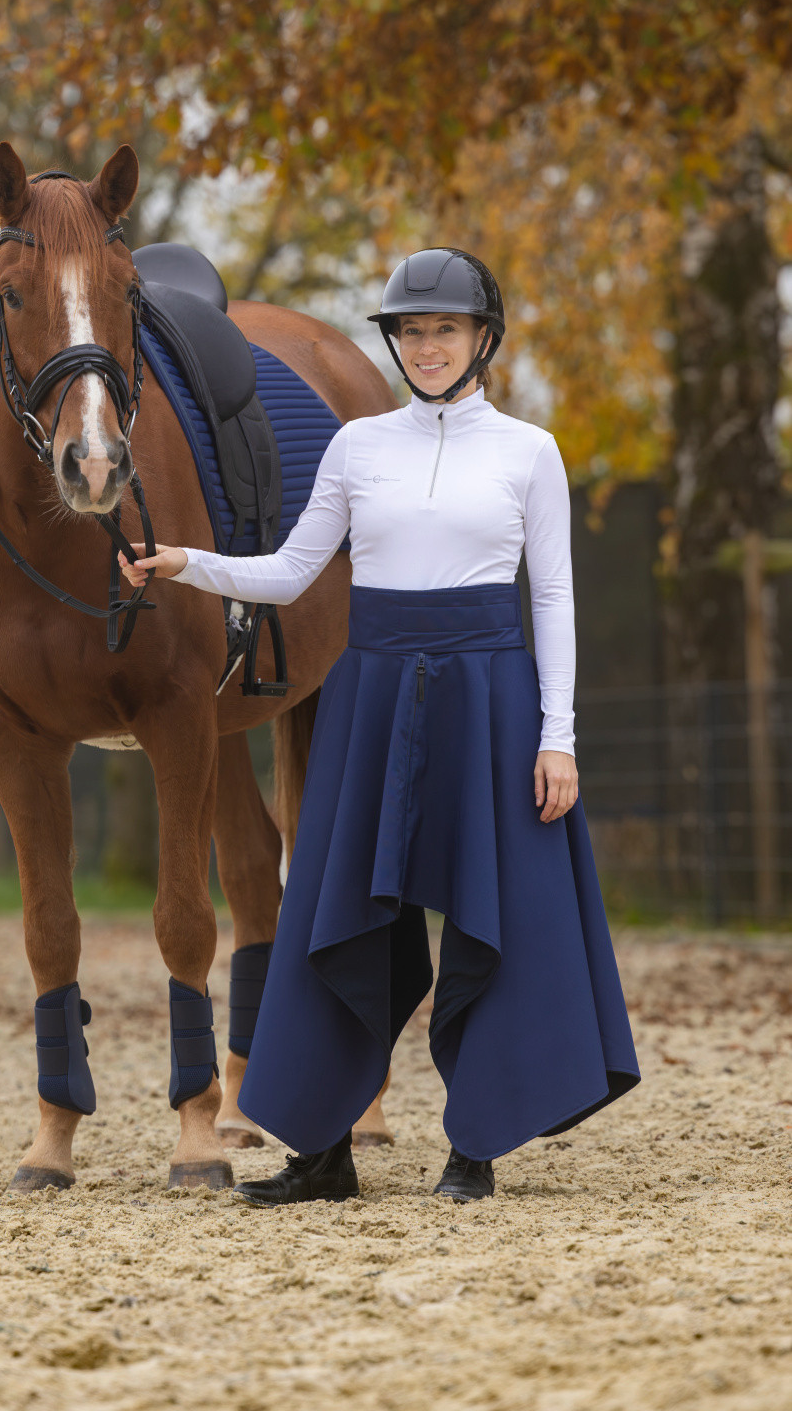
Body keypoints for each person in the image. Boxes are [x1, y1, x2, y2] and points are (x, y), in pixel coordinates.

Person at [120, 247, 640, 1206]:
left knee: (489, 917)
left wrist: (556, 734)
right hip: (371, 697)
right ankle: (323, 1151)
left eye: (443, 329)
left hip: (490, 696)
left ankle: (473, 1146)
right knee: (339, 913)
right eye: (409, 331)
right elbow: (289, 572)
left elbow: (554, 598)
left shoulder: (529, 451)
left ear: (482, 338)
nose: (426, 346)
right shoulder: (358, 448)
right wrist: (186, 561)